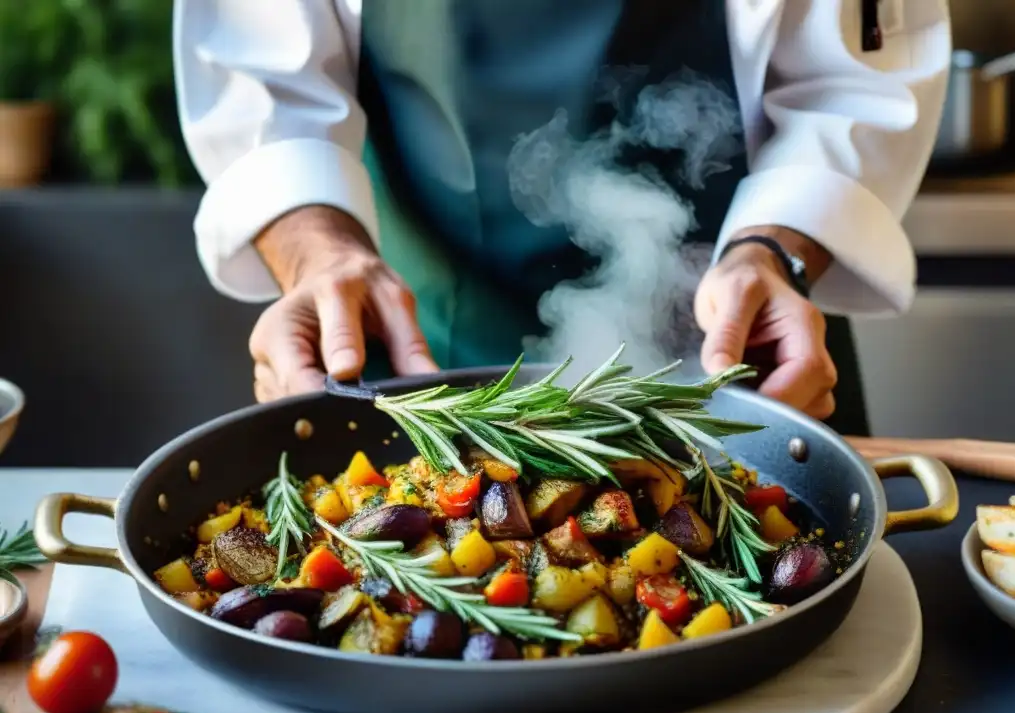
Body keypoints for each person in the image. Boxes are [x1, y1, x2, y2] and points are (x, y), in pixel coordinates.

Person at [173, 0, 951, 436]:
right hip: (419, 357)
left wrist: (772, 252)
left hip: (745, 361)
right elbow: (257, 65)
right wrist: (318, 256)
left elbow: (859, 73)